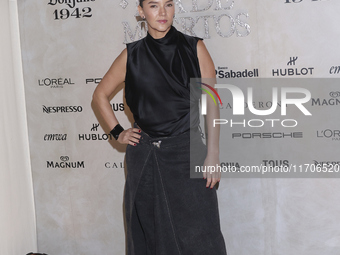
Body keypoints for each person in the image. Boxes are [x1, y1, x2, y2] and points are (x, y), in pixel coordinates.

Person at [92, 0, 227, 254]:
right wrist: (117, 132)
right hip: (145, 157)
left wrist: (213, 154)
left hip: (187, 151)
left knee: (201, 235)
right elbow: (100, 95)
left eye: (168, 4)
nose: (162, 12)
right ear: (141, 11)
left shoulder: (194, 48)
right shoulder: (131, 55)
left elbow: (211, 103)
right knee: (148, 235)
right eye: (154, 5)